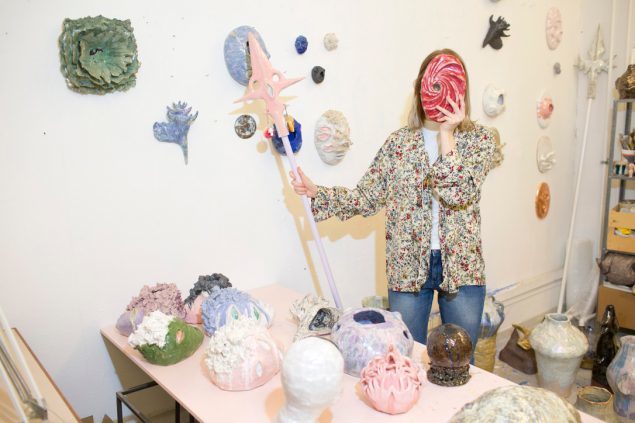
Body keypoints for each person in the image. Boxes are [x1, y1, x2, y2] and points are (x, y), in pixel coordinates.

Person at [290, 49, 495, 355]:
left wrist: (447, 134)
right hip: (406, 264)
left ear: (461, 89)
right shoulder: (399, 144)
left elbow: (458, 193)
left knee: (459, 361)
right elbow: (366, 197)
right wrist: (318, 193)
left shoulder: (480, 141)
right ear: (420, 88)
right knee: (404, 357)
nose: (438, 92)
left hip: (462, 265)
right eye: (432, 84)